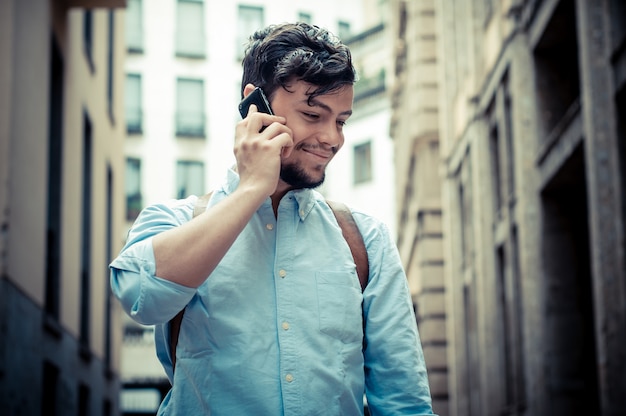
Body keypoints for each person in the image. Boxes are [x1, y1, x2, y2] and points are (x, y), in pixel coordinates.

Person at [110, 22, 436, 415]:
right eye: (313, 114)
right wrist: (252, 189)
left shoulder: (367, 240)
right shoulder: (175, 219)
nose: (332, 138)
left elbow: (404, 402)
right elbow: (140, 298)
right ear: (254, 106)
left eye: (341, 120)